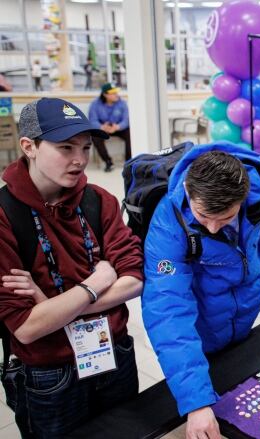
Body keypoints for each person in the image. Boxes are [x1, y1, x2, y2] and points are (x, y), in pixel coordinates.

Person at [0, 97, 144, 437]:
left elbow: (135, 279)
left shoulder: (98, 200)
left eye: (86, 147)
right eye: (65, 147)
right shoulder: (5, 216)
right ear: (29, 147)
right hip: (48, 373)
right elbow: (26, 328)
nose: (80, 159)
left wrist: (51, 306)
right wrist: (97, 282)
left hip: (113, 351)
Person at [142, 144, 260, 439]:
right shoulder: (168, 222)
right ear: (187, 190)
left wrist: (257, 279)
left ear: (243, 199)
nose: (213, 227)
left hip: (242, 316)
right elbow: (168, 312)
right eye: (203, 215)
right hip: (198, 324)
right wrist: (196, 403)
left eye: (225, 218)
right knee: (200, 403)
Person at [88, 83, 131, 172]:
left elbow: (126, 120)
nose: (116, 95)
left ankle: (129, 162)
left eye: (116, 92)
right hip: (103, 127)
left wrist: (118, 127)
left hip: (118, 127)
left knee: (130, 133)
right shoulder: (95, 104)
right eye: (113, 93)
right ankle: (108, 162)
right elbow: (92, 120)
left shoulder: (122, 103)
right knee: (95, 137)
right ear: (105, 94)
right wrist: (101, 127)